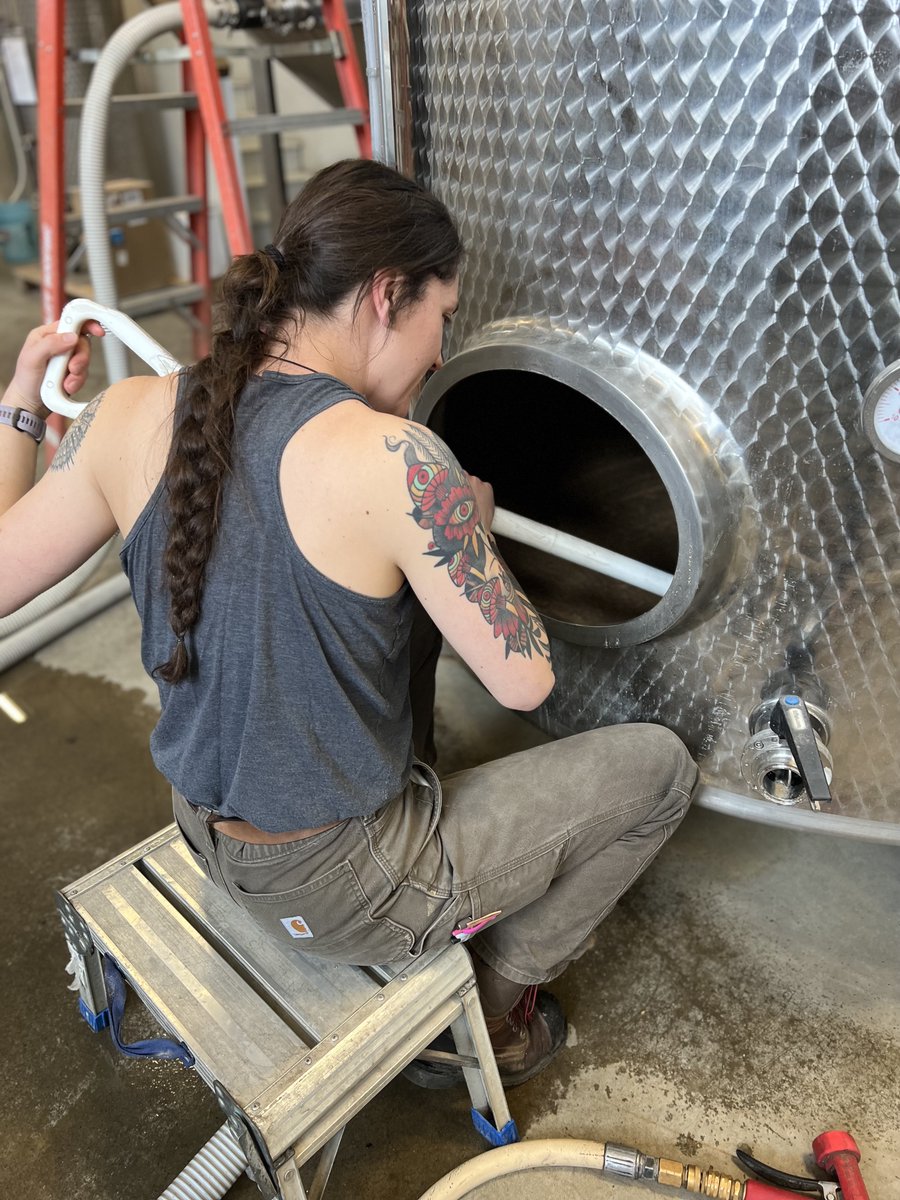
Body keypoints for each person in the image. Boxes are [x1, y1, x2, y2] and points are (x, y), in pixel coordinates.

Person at [0, 159, 697, 1088]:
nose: (441, 354)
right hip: (344, 887)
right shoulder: (401, 460)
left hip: (209, 836)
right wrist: (466, 534)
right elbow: (526, 679)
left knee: (374, 614)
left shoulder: (128, 413)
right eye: (440, 319)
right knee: (660, 772)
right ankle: (484, 1010)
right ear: (384, 295)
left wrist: (19, 402)